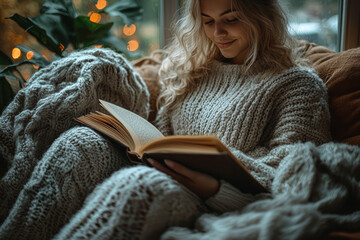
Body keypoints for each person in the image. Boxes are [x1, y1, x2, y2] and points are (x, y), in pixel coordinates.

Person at [0, 0, 332, 239]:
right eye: (207, 20)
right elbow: (164, 137)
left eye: (231, 19)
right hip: (159, 168)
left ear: (262, 17)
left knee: (136, 186)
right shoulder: (195, 71)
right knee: (78, 143)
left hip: (209, 197)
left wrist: (214, 188)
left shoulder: (297, 84)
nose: (218, 32)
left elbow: (297, 172)